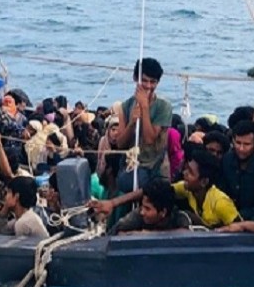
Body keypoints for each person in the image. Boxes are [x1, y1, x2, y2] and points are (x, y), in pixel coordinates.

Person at [90, 150, 239, 229]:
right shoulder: (187, 188)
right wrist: (113, 203)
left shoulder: (220, 203)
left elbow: (241, 231)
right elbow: (150, 191)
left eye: (191, 173)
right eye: (186, 170)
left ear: (204, 181)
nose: (184, 174)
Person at [115, 58, 174, 191]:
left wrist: (145, 107)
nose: (148, 86)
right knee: (124, 181)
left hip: (154, 165)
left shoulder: (163, 107)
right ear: (136, 78)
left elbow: (149, 139)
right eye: (145, 81)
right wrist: (131, 123)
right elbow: (120, 143)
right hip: (132, 163)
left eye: (153, 82)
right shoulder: (126, 106)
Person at [218, 121, 254, 221]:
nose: (241, 148)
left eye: (246, 144)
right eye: (238, 143)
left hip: (252, 224)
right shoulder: (226, 161)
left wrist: (239, 216)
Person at [109, 178, 192, 235]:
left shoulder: (179, 219)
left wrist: (149, 235)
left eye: (147, 209)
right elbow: (116, 232)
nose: (142, 212)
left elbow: (186, 233)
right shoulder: (138, 216)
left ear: (163, 212)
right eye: (142, 207)